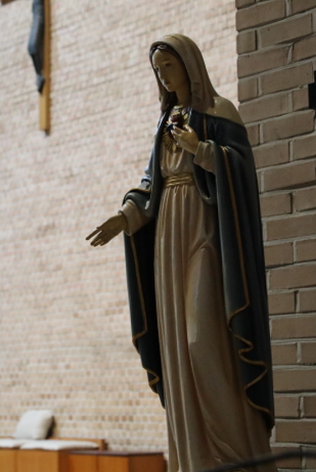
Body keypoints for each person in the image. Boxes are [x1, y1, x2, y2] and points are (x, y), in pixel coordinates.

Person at [87, 34, 276, 472]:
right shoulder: (166, 121)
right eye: (158, 70)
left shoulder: (220, 112)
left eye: (169, 66)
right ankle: (196, 458)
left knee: (201, 339)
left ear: (189, 64)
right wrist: (125, 216)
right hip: (168, 234)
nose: (164, 76)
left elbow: (241, 171)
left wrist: (201, 150)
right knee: (179, 347)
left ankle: (239, 454)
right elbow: (151, 183)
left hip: (207, 230)